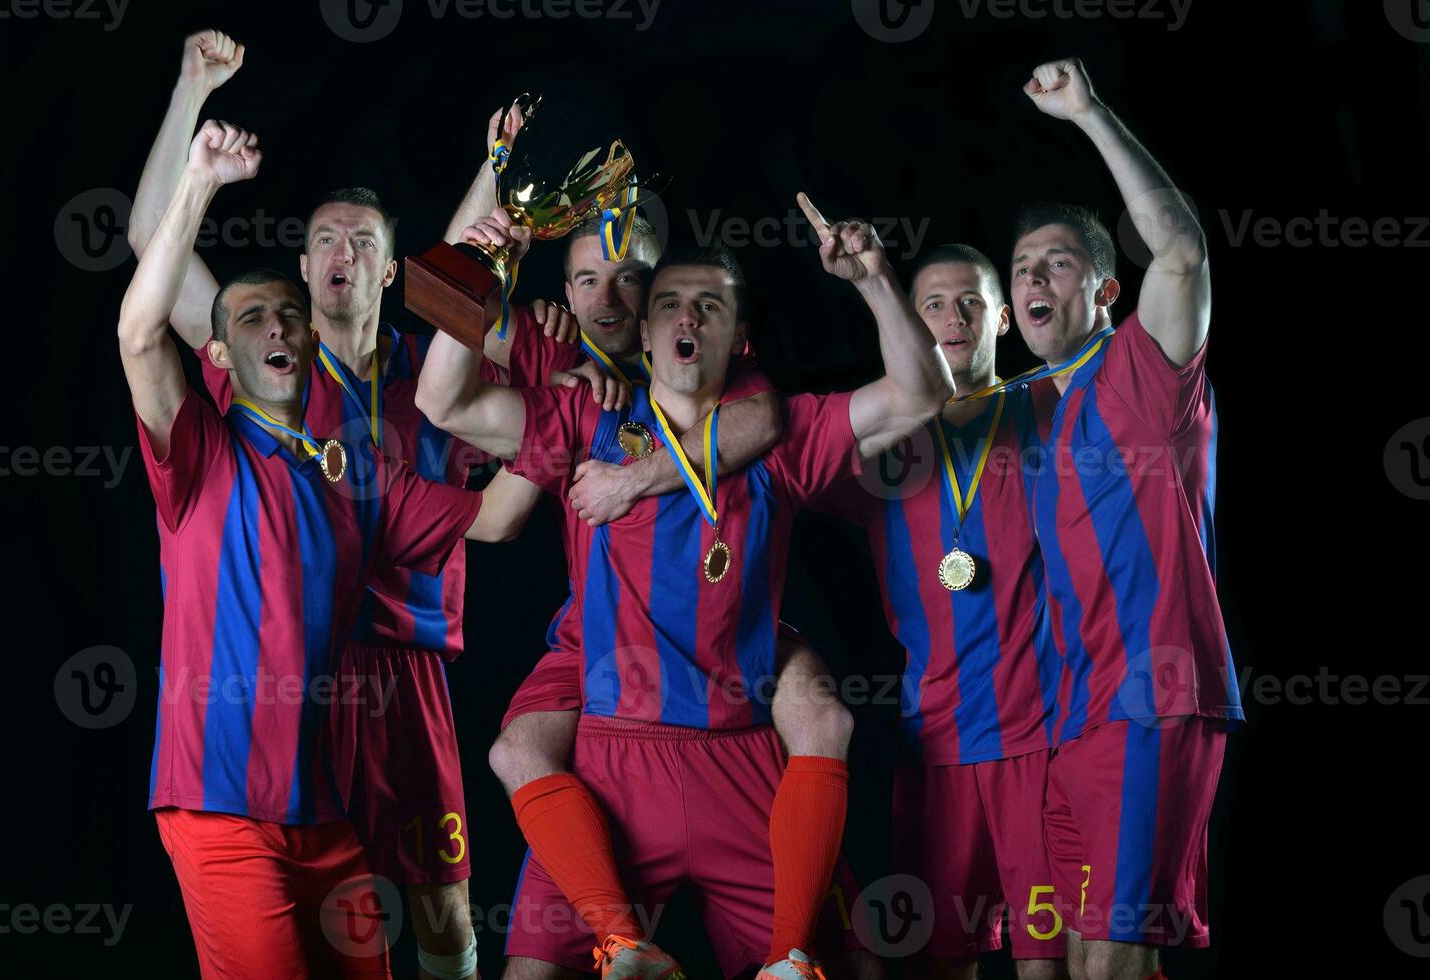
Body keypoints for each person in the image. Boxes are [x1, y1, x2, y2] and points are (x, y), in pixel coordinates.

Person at [416, 193, 951, 978]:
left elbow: (919, 394)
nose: (683, 316)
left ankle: (790, 956)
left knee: (848, 967)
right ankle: (626, 949)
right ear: (644, 327)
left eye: (709, 304)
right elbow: (443, 402)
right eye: (666, 302)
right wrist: (477, 264)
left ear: (740, 339)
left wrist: (873, 281)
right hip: (610, 752)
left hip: (739, 754)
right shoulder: (583, 413)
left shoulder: (779, 435)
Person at [120, 119, 530, 979]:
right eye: (323, 241)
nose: (341, 253)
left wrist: (497, 172)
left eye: (363, 243)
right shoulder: (243, 406)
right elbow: (146, 281)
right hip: (294, 696)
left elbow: (464, 280)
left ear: (391, 270)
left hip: (403, 674)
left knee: (440, 911)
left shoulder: (431, 382)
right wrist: (195, 122)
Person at [1008, 58, 1241, 980]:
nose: (1033, 277)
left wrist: (1089, 113)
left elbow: (1180, 252)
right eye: (1021, 266)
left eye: (1057, 263)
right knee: (1085, 965)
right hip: (1076, 721)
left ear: (1104, 292)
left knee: (1109, 963)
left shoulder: (1145, 370)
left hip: (1153, 699)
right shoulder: (1037, 412)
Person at [815, 245, 1066, 978]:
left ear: (1004, 320)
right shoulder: (880, 441)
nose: (953, 320)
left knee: (1047, 963)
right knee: (937, 963)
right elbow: (765, 466)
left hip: (1042, 741)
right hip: (934, 750)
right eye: (932, 305)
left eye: (972, 304)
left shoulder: (1047, 408)